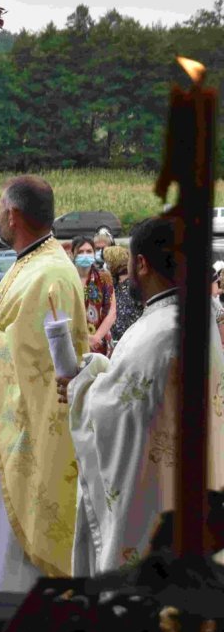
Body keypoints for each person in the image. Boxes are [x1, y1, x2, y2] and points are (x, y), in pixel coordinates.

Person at [61, 216, 224, 576]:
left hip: (159, 499)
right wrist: (101, 370)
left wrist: (79, 386)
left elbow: (114, 413)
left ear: (142, 263)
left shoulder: (156, 333)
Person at [0, 176, 87, 592]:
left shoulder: (51, 274)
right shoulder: (28, 264)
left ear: (13, 214)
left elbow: (42, 363)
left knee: (14, 553)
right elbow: (12, 337)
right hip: (4, 427)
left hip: (28, 439)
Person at [70, 235, 117, 355]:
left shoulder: (104, 278)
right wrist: (83, 338)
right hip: (73, 343)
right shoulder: (66, 279)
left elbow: (112, 313)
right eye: (80, 252)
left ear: (94, 254)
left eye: (89, 251)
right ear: (73, 254)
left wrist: (96, 337)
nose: (85, 255)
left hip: (100, 342)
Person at [102, 244, 140, 349]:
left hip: (132, 342)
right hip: (115, 344)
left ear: (113, 263)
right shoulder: (113, 286)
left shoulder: (135, 287)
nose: (104, 266)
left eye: (107, 262)